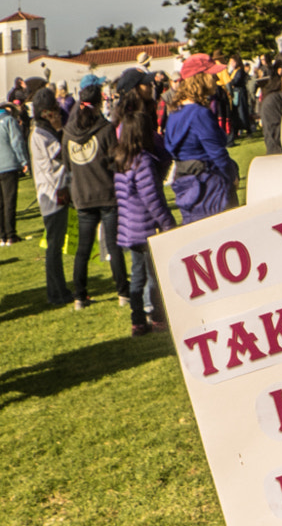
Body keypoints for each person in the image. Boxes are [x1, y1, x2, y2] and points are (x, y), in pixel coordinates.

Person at [110, 89, 174, 336]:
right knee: (154, 276)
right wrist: (167, 223)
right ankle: (157, 317)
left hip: (129, 227)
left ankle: (137, 320)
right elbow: (152, 199)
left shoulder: (121, 159)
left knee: (137, 275)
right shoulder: (143, 161)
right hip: (147, 226)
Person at [63, 78, 125, 309]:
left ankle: (80, 296)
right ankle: (123, 292)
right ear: (100, 103)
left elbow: (67, 164)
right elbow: (115, 161)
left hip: (82, 195)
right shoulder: (107, 129)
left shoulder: (68, 133)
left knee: (83, 250)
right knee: (113, 245)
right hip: (106, 193)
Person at [162, 81, 238, 223]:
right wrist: (231, 174)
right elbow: (217, 153)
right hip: (208, 184)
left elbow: (169, 147)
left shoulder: (174, 113)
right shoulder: (199, 113)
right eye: (212, 77)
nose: (215, 81)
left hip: (185, 181)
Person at [28, 86, 71, 308]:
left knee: (56, 244)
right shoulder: (42, 133)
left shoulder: (44, 131)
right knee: (54, 246)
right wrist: (60, 129)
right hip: (52, 193)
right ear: (45, 112)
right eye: (53, 109)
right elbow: (62, 154)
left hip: (55, 190)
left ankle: (60, 289)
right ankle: (56, 293)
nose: (57, 112)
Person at [0, 77, 28, 245]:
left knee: (0, 203)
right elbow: (17, 142)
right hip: (9, 165)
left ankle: (1, 235)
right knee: (10, 201)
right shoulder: (9, 121)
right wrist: (24, 161)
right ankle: (11, 234)